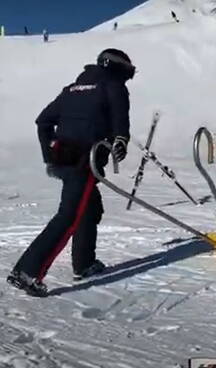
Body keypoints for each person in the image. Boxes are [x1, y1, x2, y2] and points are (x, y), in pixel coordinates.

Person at [6, 48, 135, 297]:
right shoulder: (114, 85)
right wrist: (120, 141)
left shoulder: (72, 89)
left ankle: (84, 264)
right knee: (69, 215)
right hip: (85, 161)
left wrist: (50, 153)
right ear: (119, 68)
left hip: (65, 158)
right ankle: (27, 271)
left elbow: (43, 121)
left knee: (90, 208)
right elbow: (120, 122)